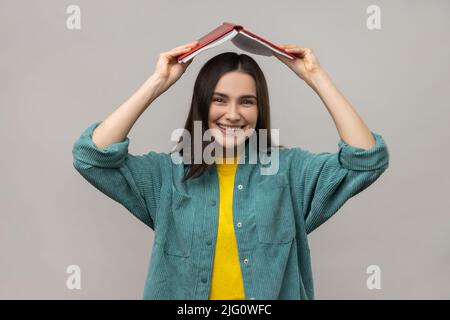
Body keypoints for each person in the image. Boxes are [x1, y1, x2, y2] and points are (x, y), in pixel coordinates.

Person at [72, 40, 390, 300]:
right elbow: (92, 156)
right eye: (220, 100)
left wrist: (315, 76)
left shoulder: (289, 172)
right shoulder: (168, 175)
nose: (233, 114)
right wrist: (157, 83)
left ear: (260, 107)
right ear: (202, 104)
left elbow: (367, 159)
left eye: (247, 101)